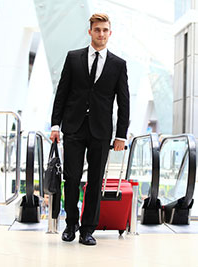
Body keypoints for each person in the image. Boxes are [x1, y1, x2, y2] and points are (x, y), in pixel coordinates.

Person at [50, 13, 130, 246]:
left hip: (102, 131)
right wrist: (56, 124)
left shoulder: (118, 64)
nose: (101, 34)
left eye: (105, 30)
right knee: (71, 178)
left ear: (110, 33)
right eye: (97, 30)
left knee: (95, 181)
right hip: (73, 127)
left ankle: (87, 230)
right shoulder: (73, 58)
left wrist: (121, 135)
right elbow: (62, 93)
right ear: (90, 32)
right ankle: (71, 224)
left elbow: (123, 103)